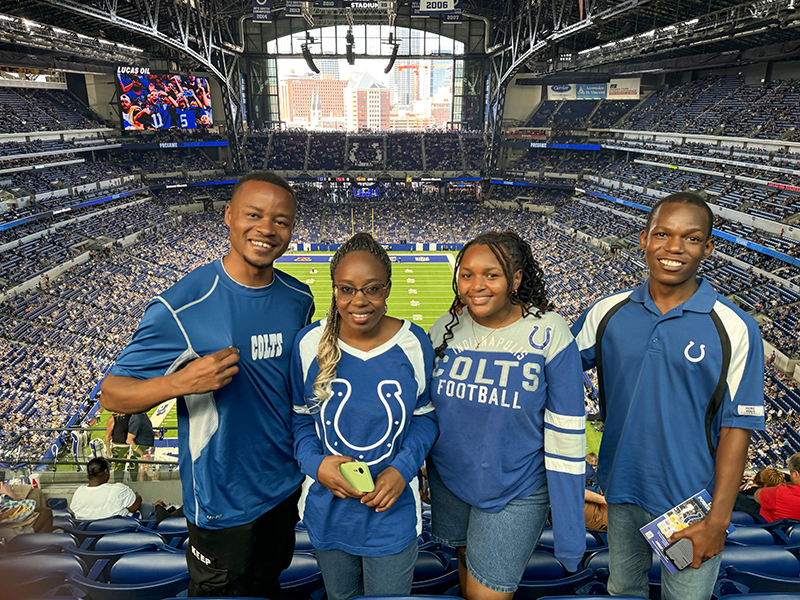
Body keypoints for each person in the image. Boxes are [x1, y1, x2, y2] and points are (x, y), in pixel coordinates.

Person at [100, 171, 315, 598]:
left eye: (281, 221)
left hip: (284, 486)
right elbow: (112, 392)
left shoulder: (299, 297)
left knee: (265, 586)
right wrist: (179, 382)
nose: (267, 229)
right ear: (229, 216)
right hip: (220, 498)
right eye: (254, 214)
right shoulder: (183, 303)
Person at [571, 192, 765, 600]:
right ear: (644, 239)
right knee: (624, 589)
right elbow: (552, 368)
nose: (674, 248)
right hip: (620, 492)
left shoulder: (735, 327)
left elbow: (737, 428)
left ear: (708, 247)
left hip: (691, 503)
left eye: (691, 238)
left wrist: (717, 519)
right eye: (662, 234)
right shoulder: (607, 311)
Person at [428, 231, 586, 600]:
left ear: (515, 279)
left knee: (489, 592)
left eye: (491, 275)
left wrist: (569, 525)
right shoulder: (446, 326)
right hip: (452, 480)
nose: (476, 286)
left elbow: (567, 430)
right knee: (467, 563)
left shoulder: (549, 330)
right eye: (466, 274)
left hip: (517, 485)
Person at [291, 233, 438, 600]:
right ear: (335, 290)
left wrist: (401, 470)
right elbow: (299, 422)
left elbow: (426, 419)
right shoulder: (309, 344)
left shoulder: (413, 343)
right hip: (328, 510)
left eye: (372, 289)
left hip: (393, 512)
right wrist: (317, 464)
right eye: (347, 289)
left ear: (387, 289)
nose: (359, 301)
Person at [70, 457, 148, 520]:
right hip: (120, 533)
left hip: (88, 534)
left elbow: (74, 512)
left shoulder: (79, 492)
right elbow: (134, 507)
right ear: (106, 471)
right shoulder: (118, 489)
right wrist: (137, 496)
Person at [756, 454, 800, 522]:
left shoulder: (781, 492)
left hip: (771, 527)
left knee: (737, 497)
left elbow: (757, 495)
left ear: (795, 474)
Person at [127, 412, 157, 480]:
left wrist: (155, 433)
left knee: (146, 470)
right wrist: (141, 454)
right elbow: (129, 440)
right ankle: (144, 487)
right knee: (146, 471)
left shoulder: (143, 415)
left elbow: (144, 430)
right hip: (143, 449)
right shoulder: (137, 418)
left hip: (147, 448)